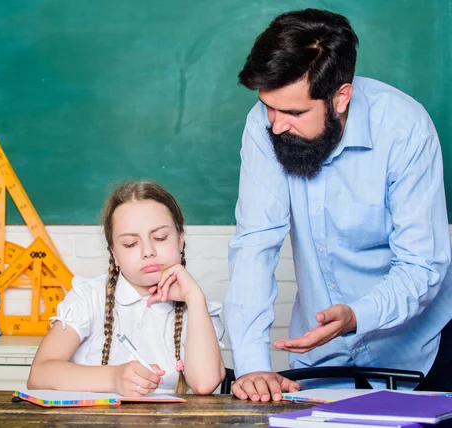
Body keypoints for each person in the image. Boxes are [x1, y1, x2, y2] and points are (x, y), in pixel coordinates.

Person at [225, 8, 452, 402]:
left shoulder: (405, 129)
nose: (276, 125)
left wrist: (356, 315)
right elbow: (255, 245)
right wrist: (252, 364)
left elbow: (422, 265)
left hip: (424, 354)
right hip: (322, 361)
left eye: (294, 112)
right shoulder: (265, 125)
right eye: (268, 107)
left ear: (340, 97)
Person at [28, 181, 225, 395]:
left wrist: (194, 298)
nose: (148, 251)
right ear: (114, 253)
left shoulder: (196, 306)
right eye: (131, 244)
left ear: (180, 240)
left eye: (160, 237)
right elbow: (39, 374)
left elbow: (205, 384)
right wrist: (114, 378)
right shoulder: (89, 297)